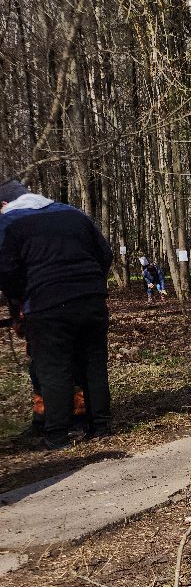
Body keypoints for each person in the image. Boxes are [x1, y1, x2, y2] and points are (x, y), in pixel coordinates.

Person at [0, 178, 114, 448]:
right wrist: (91, 284)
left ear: (4, 204)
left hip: (46, 302)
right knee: (93, 362)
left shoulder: (8, 222)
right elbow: (105, 253)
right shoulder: (72, 213)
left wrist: (18, 300)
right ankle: (100, 426)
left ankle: (57, 434)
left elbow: (5, 270)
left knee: (53, 366)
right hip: (90, 298)